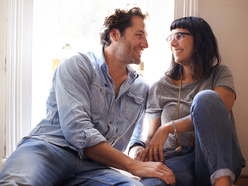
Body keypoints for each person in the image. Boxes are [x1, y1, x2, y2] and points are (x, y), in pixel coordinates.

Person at [0, 6, 176, 186]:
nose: (145, 44)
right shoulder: (77, 65)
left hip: (95, 166)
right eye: (139, 35)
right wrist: (132, 166)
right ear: (114, 35)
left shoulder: (141, 88)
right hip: (49, 149)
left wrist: (137, 152)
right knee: (16, 183)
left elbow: (135, 138)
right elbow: (78, 131)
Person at [132, 16, 246, 186]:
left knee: (206, 98)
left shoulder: (220, 74)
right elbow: (152, 137)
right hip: (177, 162)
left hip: (220, 160)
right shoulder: (159, 87)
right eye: (170, 38)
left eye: (179, 36)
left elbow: (220, 109)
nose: (172, 43)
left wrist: (168, 127)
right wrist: (140, 152)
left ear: (201, 42)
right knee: (149, 184)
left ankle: (222, 181)